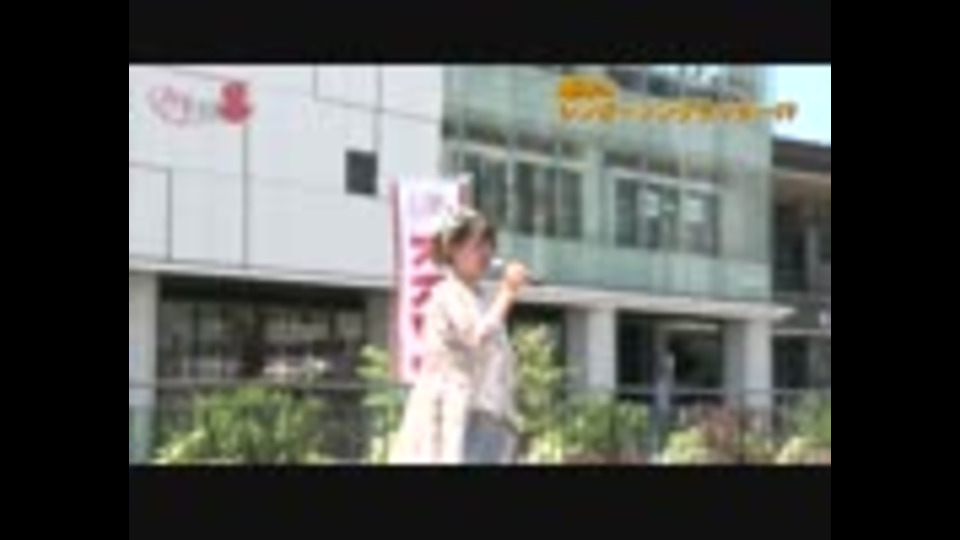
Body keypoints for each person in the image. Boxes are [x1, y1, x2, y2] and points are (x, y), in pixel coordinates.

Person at [389, 206, 531, 465]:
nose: (486, 252)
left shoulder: (481, 299)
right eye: (477, 245)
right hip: (456, 414)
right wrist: (508, 291)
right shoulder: (445, 293)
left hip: (487, 415)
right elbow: (476, 337)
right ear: (451, 249)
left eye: (489, 244)